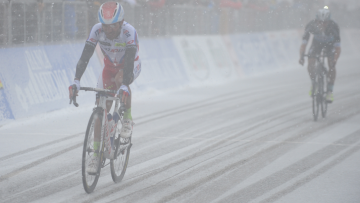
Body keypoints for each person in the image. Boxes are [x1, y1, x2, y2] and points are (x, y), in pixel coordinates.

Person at [68, 1, 141, 174]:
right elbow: (85, 55)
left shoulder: (129, 32)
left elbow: (130, 59)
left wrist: (124, 85)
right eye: (105, 25)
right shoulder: (97, 30)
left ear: (121, 22)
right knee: (101, 109)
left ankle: (128, 119)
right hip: (109, 68)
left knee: (120, 78)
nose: (108, 30)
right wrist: (76, 80)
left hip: (129, 66)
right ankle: (95, 153)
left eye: (112, 26)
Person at [299, 6, 341, 103]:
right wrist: (301, 56)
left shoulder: (334, 27)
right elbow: (303, 44)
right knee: (311, 63)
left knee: (331, 64)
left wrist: (335, 59)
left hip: (330, 45)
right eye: (320, 22)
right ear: (316, 20)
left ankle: (329, 91)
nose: (322, 24)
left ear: (329, 21)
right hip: (317, 44)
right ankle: (314, 84)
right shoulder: (311, 25)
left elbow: (338, 48)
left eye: (325, 22)